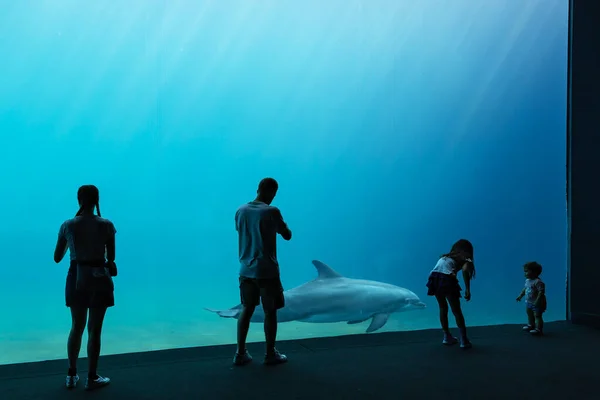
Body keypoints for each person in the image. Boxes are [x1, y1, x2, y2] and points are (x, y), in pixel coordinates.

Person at [53, 185, 117, 390]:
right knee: (94, 330)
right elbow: (111, 257)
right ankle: (92, 376)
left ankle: (71, 375)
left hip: (76, 277)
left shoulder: (68, 225)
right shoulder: (107, 225)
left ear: (78, 200)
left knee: (76, 327)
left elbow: (56, 257)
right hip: (99, 277)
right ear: (97, 200)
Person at [233, 177, 292, 366]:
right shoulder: (272, 211)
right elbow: (287, 235)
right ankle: (269, 354)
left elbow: (242, 231)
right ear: (272, 192)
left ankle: (240, 353)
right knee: (270, 312)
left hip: (245, 270)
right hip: (267, 271)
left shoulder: (240, 210)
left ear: (258, 188)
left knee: (246, 310)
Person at [425, 239, 475, 349]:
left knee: (443, 308)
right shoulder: (465, 258)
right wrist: (467, 289)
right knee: (456, 311)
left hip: (434, 277)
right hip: (446, 278)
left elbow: (441, 268)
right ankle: (463, 340)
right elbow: (465, 270)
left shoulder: (446, 256)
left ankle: (447, 337)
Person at [516, 261, 546, 336]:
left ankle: (538, 329)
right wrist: (520, 296)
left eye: (526, 271)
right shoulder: (527, 281)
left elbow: (541, 292)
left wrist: (538, 301)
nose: (524, 273)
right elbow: (525, 289)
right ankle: (530, 325)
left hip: (537, 303)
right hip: (529, 302)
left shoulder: (538, 282)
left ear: (534, 272)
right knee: (529, 314)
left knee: (537, 316)